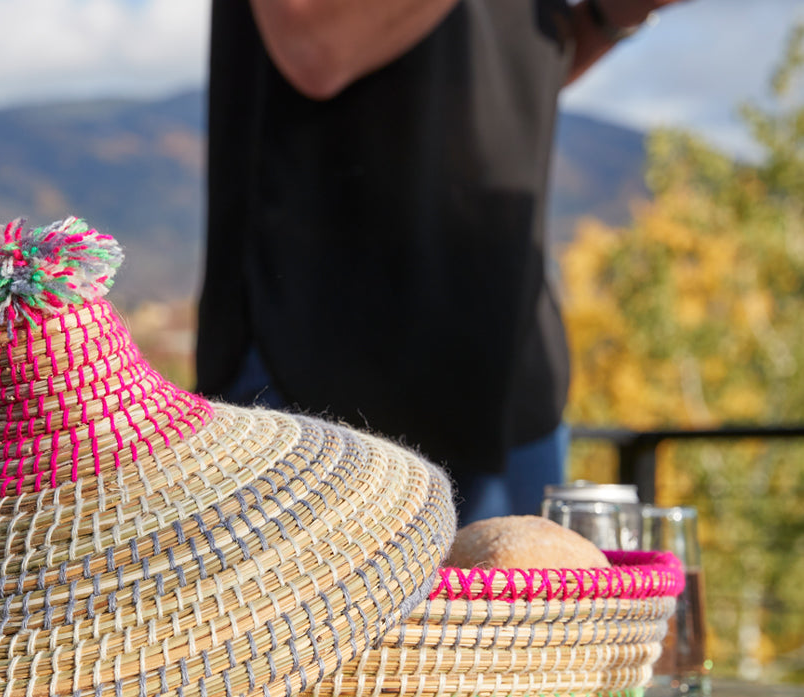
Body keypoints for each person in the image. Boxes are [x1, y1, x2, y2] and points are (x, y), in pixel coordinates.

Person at [195, 0, 685, 523]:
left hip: (509, 377)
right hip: (318, 368)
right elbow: (314, 46)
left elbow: (513, 66)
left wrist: (612, 16)